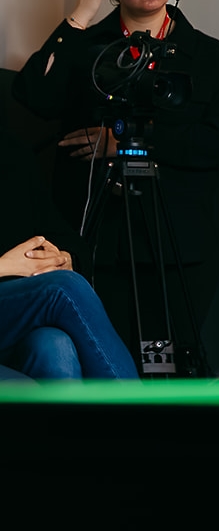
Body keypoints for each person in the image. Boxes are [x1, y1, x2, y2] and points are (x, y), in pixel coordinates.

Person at [11, 0, 219, 372]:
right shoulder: (85, 46)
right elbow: (33, 96)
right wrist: (80, 15)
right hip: (97, 246)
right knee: (103, 363)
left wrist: (126, 143)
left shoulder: (210, 57)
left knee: (165, 367)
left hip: (178, 247)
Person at [0, 110, 138, 381]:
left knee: (54, 346)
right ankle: (138, 406)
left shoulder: (9, 151)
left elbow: (60, 233)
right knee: (62, 288)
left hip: (15, 312)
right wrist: (5, 265)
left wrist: (63, 257)